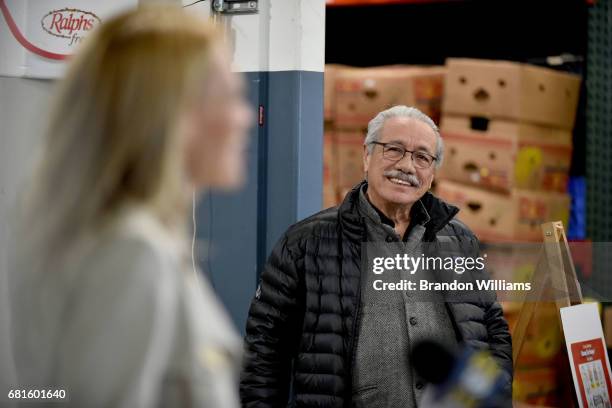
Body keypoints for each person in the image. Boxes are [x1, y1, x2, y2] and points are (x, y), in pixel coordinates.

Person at [7, 5, 252, 407]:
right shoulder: (130, 253)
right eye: (228, 97)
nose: (244, 117)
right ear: (172, 114)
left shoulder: (102, 233)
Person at [240, 105, 513, 407]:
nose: (407, 166)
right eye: (394, 149)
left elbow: (493, 329)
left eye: (422, 157)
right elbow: (264, 349)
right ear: (367, 156)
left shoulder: (459, 240)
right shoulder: (306, 242)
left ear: (433, 172)